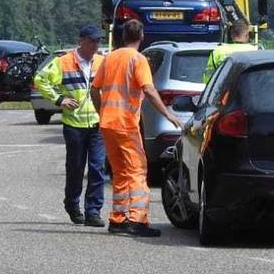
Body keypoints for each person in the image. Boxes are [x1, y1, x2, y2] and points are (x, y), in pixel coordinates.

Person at [91, 19, 183, 237]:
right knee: (137, 170)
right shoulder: (138, 59)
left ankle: (118, 218)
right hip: (125, 124)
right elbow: (149, 90)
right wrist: (168, 114)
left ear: (123, 37)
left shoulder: (109, 58)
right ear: (141, 37)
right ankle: (138, 220)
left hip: (108, 124)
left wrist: (101, 111)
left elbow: (95, 90)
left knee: (120, 172)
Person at [33, 25, 107, 227]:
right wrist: (59, 100)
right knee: (75, 168)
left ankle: (93, 211)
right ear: (81, 40)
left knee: (97, 167)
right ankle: (72, 205)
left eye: (98, 41)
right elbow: (40, 79)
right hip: (74, 125)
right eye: (92, 40)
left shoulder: (102, 61)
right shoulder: (63, 62)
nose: (95, 45)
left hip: (98, 124)